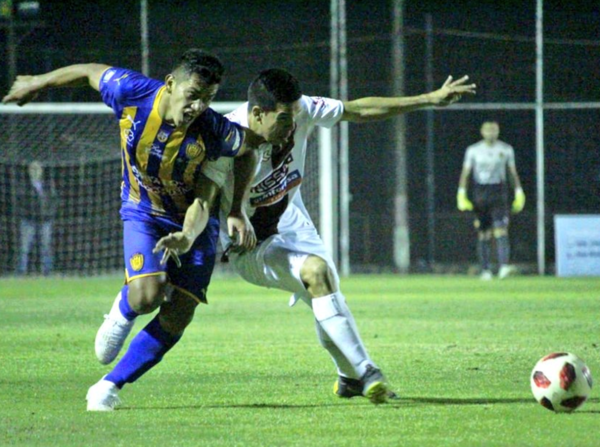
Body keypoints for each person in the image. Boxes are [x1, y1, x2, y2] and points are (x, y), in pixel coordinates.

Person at [193, 69, 476, 404]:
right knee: (316, 274)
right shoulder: (226, 139)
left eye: (295, 117)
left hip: (292, 220)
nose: (292, 127)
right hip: (251, 244)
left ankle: (348, 379)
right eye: (284, 120)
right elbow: (198, 198)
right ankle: (366, 370)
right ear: (257, 114)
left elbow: (359, 109)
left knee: (325, 293)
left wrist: (427, 99)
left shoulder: (301, 110)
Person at [3, 49, 264, 411]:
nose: (198, 107)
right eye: (193, 95)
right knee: (147, 296)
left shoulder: (213, 130)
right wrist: (38, 81)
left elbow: (248, 150)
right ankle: (123, 308)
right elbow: (90, 70)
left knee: (180, 313)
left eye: (208, 99)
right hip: (144, 210)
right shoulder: (133, 92)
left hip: (194, 222)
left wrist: (234, 209)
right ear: (171, 85)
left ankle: (108, 387)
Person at [457, 121, 525, 280]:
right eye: (488, 130)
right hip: (480, 192)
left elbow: (511, 171)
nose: (491, 133)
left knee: (501, 230)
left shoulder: (505, 149)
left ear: (498, 131)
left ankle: (503, 268)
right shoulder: (473, 150)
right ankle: (485, 270)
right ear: (482, 132)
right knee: (483, 233)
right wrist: (461, 193)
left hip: (498, 192)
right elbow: (466, 172)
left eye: (494, 130)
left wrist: (519, 191)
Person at [15, 161, 58, 275]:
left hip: (45, 220)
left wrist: (49, 214)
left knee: (46, 247)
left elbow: (53, 201)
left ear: (41, 171)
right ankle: (21, 272)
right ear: (29, 171)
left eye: (37, 169)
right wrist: (27, 213)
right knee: (24, 248)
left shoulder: (48, 186)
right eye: (32, 169)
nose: (35, 171)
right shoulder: (24, 186)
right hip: (29, 220)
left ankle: (47, 272)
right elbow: (20, 202)